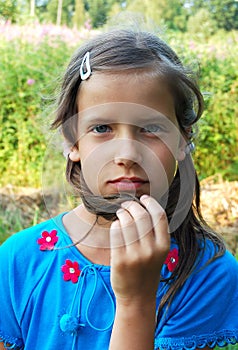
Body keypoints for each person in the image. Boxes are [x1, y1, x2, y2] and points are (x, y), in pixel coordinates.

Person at [0, 28, 237, 350]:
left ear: (183, 138)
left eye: (151, 128)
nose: (126, 154)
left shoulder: (208, 273)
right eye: (101, 128)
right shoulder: (17, 260)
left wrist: (136, 301)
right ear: (73, 141)